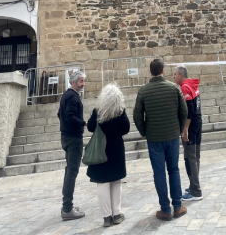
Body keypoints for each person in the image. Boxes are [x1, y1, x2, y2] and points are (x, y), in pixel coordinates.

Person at [133, 58, 188, 221]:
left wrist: (145, 131)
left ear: (151, 72)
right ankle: (177, 207)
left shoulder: (144, 91)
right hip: (171, 136)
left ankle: (165, 209)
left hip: (154, 138)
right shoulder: (174, 88)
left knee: (159, 173)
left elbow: (137, 115)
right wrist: (178, 129)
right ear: (163, 71)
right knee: (174, 170)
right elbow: (184, 111)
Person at [86, 83, 131, 228]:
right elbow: (126, 128)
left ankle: (106, 217)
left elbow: (90, 127)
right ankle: (117, 214)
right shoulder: (120, 111)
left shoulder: (98, 111)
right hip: (116, 149)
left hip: (101, 149)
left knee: (102, 182)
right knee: (116, 181)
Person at [58, 70, 87, 220]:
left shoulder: (66, 95)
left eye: (83, 81)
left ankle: (67, 206)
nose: (83, 84)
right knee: (72, 172)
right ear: (73, 82)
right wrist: (84, 123)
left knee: (69, 170)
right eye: (81, 81)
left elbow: (60, 115)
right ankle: (67, 209)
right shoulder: (73, 96)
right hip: (73, 138)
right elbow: (69, 116)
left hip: (66, 136)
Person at [172, 65, 202, 201]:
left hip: (191, 126)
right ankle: (194, 185)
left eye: (175, 74)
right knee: (195, 156)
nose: (173, 77)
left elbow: (190, 109)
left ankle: (195, 191)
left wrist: (185, 130)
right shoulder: (193, 86)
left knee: (190, 158)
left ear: (181, 75)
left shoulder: (184, 87)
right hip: (198, 123)